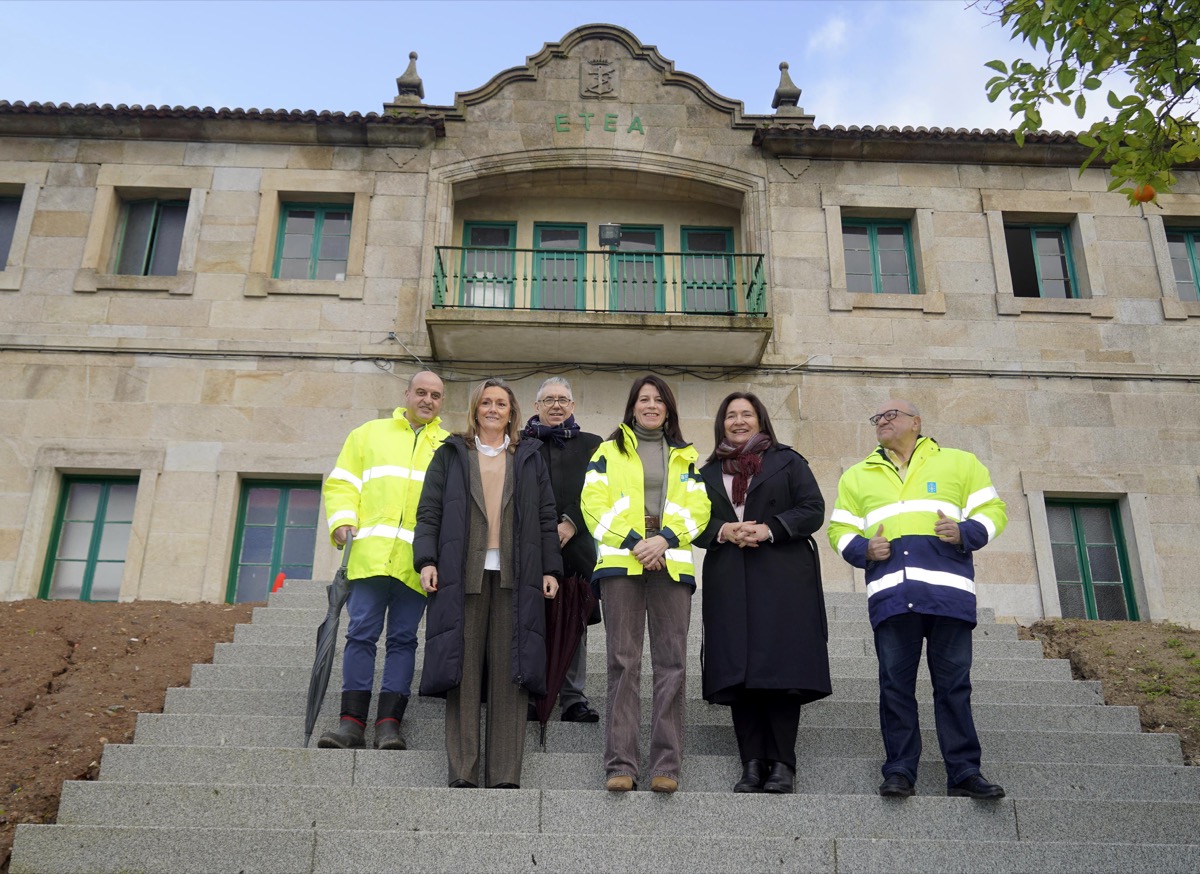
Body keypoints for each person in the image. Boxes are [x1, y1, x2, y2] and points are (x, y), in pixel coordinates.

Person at [828, 399, 1008, 800]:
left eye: (891, 415)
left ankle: (964, 772)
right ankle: (899, 770)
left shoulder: (960, 463)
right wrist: (861, 548)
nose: (882, 421)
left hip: (948, 596)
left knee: (954, 686)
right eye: (876, 418)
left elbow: (994, 510)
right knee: (895, 686)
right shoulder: (857, 476)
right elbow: (838, 529)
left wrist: (965, 532)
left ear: (916, 422)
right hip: (892, 597)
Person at [413, 378, 562, 789]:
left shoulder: (529, 456)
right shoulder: (451, 453)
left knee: (511, 674)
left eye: (501, 403)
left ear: (512, 412)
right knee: (461, 672)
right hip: (463, 575)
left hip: (517, 576)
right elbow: (429, 511)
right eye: (486, 403)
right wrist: (426, 560)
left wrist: (551, 569)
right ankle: (463, 770)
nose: (493, 409)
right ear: (475, 409)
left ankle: (504, 775)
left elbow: (546, 517)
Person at [694, 392, 831, 794]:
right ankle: (751, 763)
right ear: (721, 424)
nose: (738, 421)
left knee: (780, 670)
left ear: (761, 420)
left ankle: (783, 763)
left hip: (782, 578)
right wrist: (723, 529)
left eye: (746, 414)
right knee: (740, 672)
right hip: (730, 578)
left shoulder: (787, 461)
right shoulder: (706, 473)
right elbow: (691, 521)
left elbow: (812, 509)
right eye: (731, 415)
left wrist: (769, 528)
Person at [581, 375, 711, 793]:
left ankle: (665, 766)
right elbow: (592, 504)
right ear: (632, 407)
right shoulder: (608, 451)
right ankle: (620, 764)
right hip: (623, 563)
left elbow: (699, 509)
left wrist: (665, 539)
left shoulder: (685, 456)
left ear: (668, 409)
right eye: (644, 399)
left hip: (671, 563)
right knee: (623, 662)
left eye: (658, 400)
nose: (651, 405)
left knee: (672, 665)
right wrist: (636, 542)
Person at [318, 370, 449, 750]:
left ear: (442, 402)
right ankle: (351, 724)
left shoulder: (448, 445)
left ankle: (389, 724)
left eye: (435, 395)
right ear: (406, 394)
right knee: (360, 635)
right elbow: (343, 482)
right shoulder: (368, 434)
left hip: (416, 563)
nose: (427, 400)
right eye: (421, 392)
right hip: (370, 558)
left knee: (403, 640)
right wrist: (342, 521)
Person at [522, 376, 603, 723]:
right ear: (536, 406)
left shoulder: (593, 445)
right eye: (549, 399)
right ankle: (531, 693)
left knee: (574, 623)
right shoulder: (520, 445)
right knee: (530, 622)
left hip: (576, 549)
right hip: (529, 547)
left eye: (562, 400)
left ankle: (573, 698)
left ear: (572, 406)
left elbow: (599, 491)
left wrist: (571, 522)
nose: (556, 405)